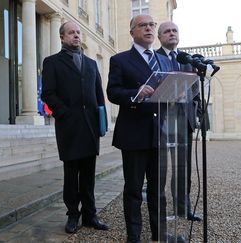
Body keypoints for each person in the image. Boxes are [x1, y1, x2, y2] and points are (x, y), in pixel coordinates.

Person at [106, 14, 173, 243]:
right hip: (133, 134)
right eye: (143, 25)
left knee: (158, 190)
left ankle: (159, 233)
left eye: (152, 25)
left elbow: (168, 92)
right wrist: (135, 93)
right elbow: (113, 93)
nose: (149, 28)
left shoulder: (164, 60)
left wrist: (177, 93)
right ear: (132, 32)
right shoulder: (120, 60)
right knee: (134, 190)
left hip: (159, 133)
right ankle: (133, 236)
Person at [41, 21, 109, 234]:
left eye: (78, 32)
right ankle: (73, 215)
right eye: (71, 33)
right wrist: (65, 114)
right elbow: (48, 93)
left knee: (88, 175)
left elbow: (99, 95)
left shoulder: (91, 64)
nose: (76, 35)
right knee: (71, 176)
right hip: (69, 128)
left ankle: (90, 215)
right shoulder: (52, 62)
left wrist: (102, 122)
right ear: (62, 37)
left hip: (90, 128)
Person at [156, 21, 202, 221]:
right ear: (160, 37)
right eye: (167, 31)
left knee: (183, 168)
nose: (171, 34)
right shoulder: (154, 58)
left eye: (174, 30)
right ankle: (158, 210)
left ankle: (183, 208)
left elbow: (195, 89)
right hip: (161, 120)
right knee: (160, 169)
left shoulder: (187, 60)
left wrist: (191, 104)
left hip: (184, 121)